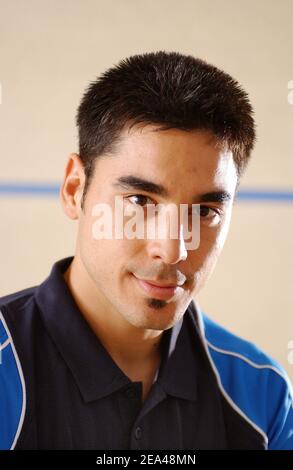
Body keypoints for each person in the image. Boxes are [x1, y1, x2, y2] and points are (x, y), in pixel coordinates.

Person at [0, 51, 292, 450]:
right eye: (140, 201)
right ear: (74, 189)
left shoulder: (263, 395)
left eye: (205, 212)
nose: (172, 249)